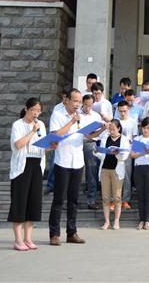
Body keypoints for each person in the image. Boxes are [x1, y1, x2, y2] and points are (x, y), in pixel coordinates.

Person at [48, 88, 105, 246]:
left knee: (74, 199)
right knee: (59, 199)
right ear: (67, 100)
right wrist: (71, 122)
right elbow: (55, 135)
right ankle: (54, 234)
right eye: (75, 101)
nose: (77, 104)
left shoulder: (80, 116)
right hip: (63, 161)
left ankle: (72, 232)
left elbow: (88, 135)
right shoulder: (58, 115)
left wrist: (102, 129)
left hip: (77, 162)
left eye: (79, 102)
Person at [8, 98, 51, 251]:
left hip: (37, 165)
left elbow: (43, 146)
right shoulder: (18, 125)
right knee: (20, 202)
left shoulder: (41, 125)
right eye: (33, 110)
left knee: (33, 202)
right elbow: (18, 145)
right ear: (26, 109)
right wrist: (32, 131)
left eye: (39, 111)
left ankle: (28, 239)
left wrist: (52, 145)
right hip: (22, 166)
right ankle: (18, 240)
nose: (36, 113)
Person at [96, 119, 130, 230]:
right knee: (105, 197)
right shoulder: (105, 138)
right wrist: (97, 152)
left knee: (117, 197)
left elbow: (125, 156)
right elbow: (102, 154)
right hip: (105, 169)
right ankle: (106, 221)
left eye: (113, 129)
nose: (111, 131)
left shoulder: (124, 139)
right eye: (110, 129)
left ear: (119, 128)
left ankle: (116, 220)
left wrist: (117, 154)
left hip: (117, 170)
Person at [130, 117, 149, 230]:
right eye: (144, 128)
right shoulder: (137, 139)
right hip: (139, 168)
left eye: (148, 128)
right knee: (140, 195)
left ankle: (147, 221)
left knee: (148, 195)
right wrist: (142, 153)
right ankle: (141, 220)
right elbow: (132, 155)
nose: (146, 130)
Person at [80, 94, 104, 210]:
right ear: (82, 103)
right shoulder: (77, 115)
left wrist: (101, 128)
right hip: (77, 144)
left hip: (90, 143)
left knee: (91, 172)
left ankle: (92, 200)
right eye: (85, 105)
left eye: (90, 105)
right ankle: (70, 200)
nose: (87, 108)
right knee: (74, 171)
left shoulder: (96, 116)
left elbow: (98, 133)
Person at [117, 101, 138, 210]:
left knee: (127, 177)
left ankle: (125, 200)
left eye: (124, 111)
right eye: (120, 111)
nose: (123, 113)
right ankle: (115, 200)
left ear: (128, 110)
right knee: (115, 177)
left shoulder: (132, 122)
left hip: (128, 153)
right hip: (116, 152)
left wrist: (131, 143)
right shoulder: (115, 122)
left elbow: (135, 137)